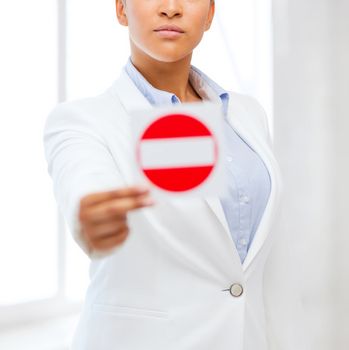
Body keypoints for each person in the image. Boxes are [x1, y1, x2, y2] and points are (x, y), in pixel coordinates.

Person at [43, 1, 286, 349]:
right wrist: (92, 215)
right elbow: (85, 183)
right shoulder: (84, 120)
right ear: (121, 10)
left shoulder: (248, 114)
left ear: (210, 13)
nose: (171, 8)